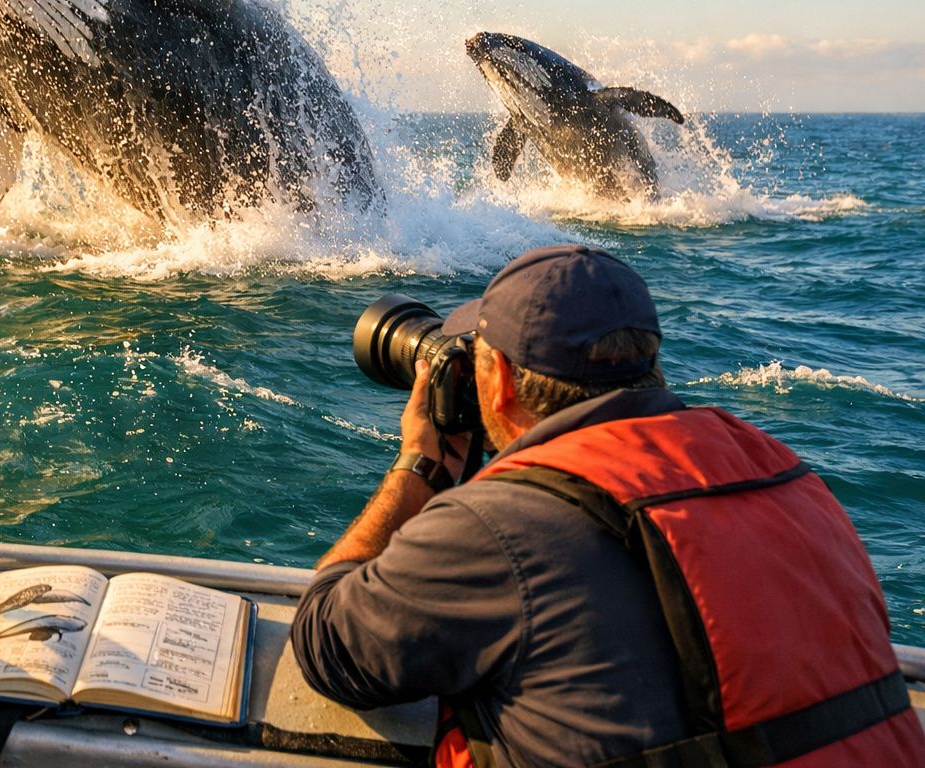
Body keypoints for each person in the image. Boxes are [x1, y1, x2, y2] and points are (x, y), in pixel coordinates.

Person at [291, 244, 924, 767]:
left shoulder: (501, 527)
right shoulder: (786, 474)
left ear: (499, 381)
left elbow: (327, 646)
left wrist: (422, 467)